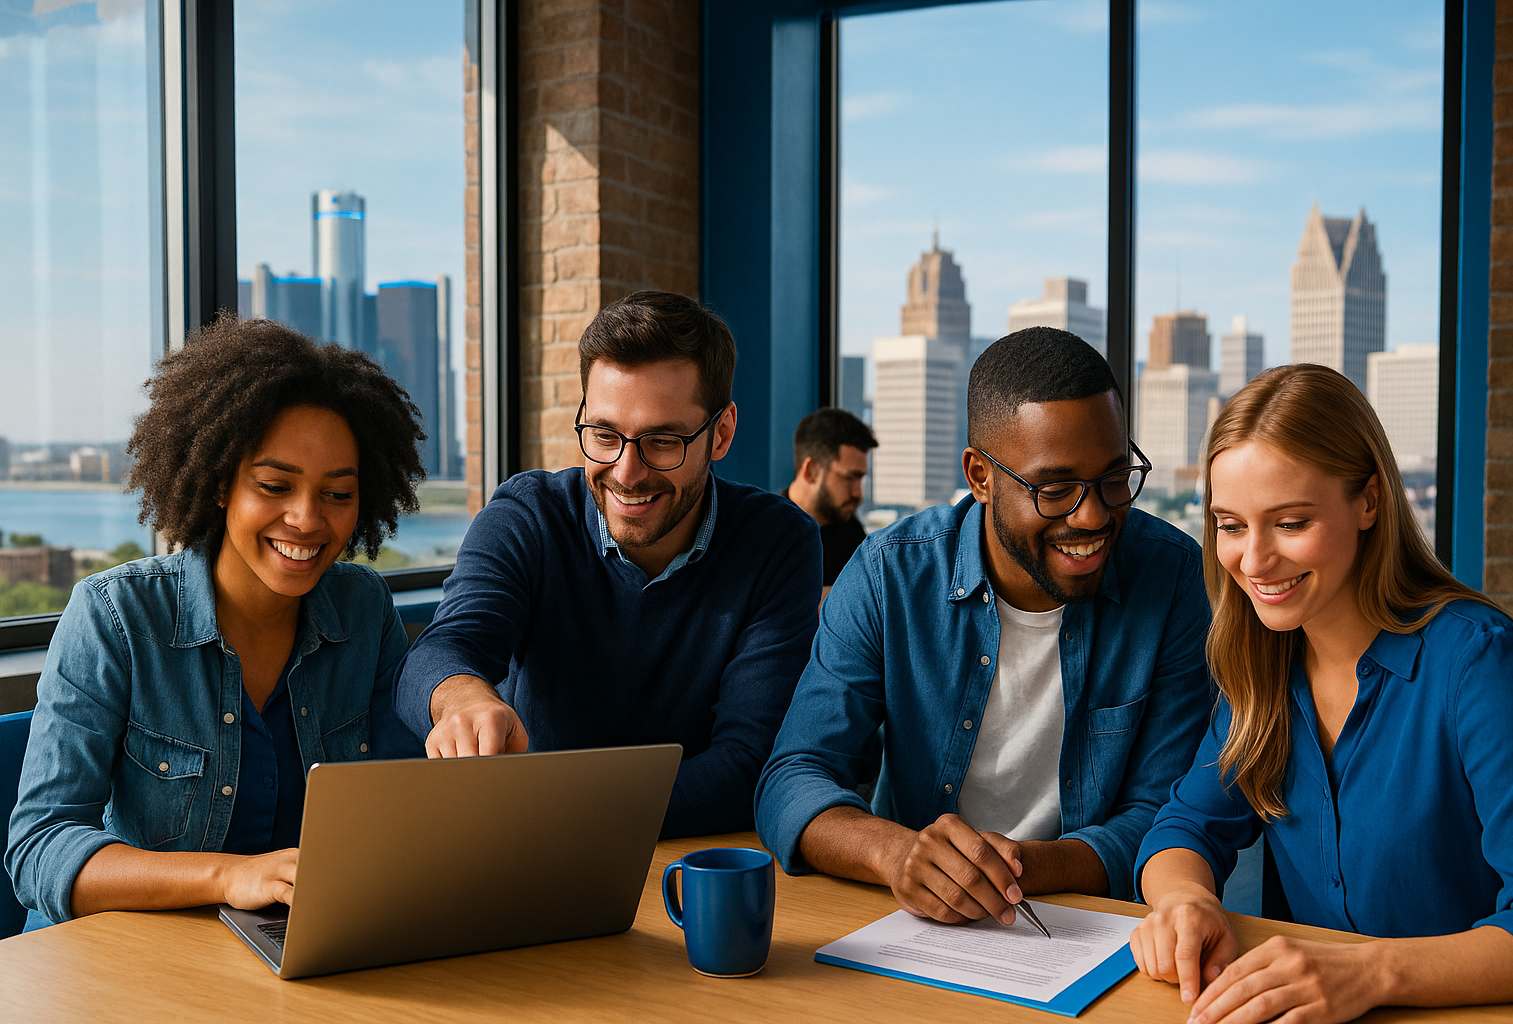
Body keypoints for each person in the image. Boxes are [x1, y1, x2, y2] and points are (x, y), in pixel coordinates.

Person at [755, 326, 1213, 922]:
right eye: (1055, 489)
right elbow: (793, 776)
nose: (1095, 514)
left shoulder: (1173, 576)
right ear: (980, 476)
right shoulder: (889, 575)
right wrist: (899, 855)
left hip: (1088, 928)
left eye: (1113, 478)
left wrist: (1011, 869)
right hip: (918, 926)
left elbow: (1164, 813)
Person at [1131, 364, 1513, 1023]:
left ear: (1368, 501)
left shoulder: (1480, 664)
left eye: (1289, 523)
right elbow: (1184, 827)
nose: (1254, 562)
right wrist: (1186, 903)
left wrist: (1370, 972)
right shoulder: (1262, 661)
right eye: (1231, 525)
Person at [6, 316, 426, 930]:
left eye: (338, 494)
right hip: (120, 967)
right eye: (275, 485)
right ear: (222, 481)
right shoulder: (116, 616)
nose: (307, 520)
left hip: (286, 954)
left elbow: (397, 808)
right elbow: (39, 851)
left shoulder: (363, 612)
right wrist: (231, 875)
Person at [395, 290, 821, 838]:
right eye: (604, 435)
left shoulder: (777, 541)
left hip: (680, 861)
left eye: (662, 441)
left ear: (721, 433)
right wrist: (464, 697)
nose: (626, 472)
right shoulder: (529, 515)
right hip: (532, 858)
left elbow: (749, 763)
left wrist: (566, 815)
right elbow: (437, 652)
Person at [782, 407, 877, 594]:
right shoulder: (765, 532)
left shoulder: (852, 535)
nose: (858, 493)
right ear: (811, 471)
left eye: (861, 479)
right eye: (849, 478)